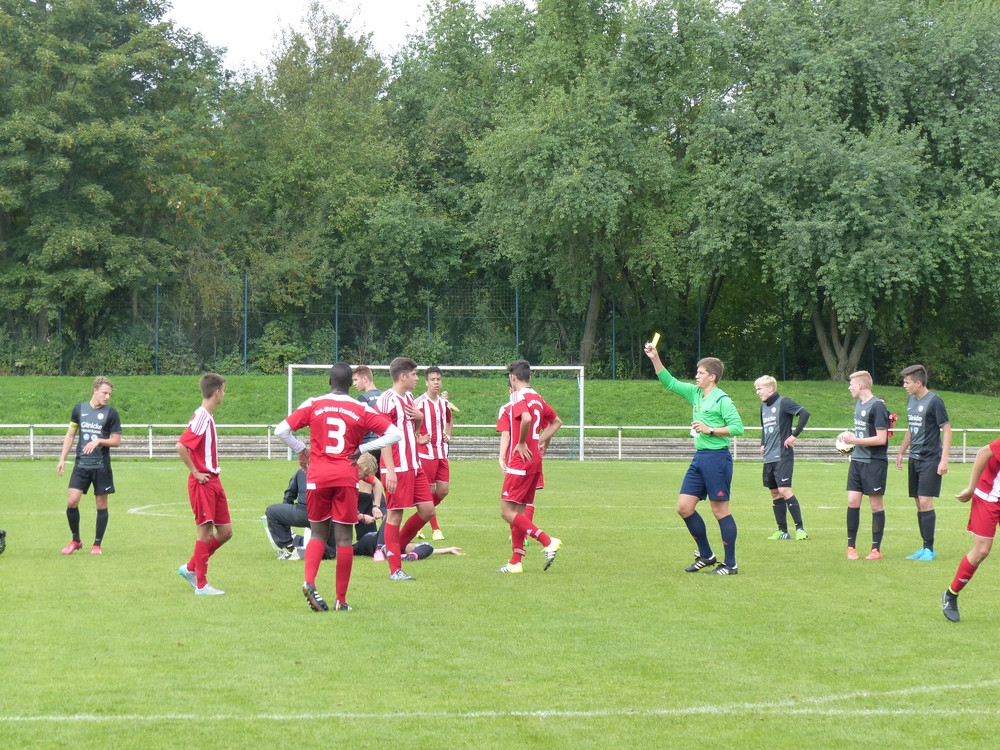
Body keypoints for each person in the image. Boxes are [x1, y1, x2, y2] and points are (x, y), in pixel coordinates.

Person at [276, 362, 402, 612]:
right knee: (344, 539)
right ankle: (340, 600)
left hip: (317, 477)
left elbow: (282, 430)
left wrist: (301, 450)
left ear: (329, 382)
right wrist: (362, 448)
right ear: (349, 385)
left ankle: (309, 581)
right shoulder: (360, 408)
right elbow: (394, 434)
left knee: (318, 533)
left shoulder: (314, 403)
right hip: (345, 477)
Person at [644, 345, 744, 575]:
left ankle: (730, 564)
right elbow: (670, 383)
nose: (696, 376)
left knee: (720, 511)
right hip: (700, 458)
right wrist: (655, 357)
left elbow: (738, 428)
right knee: (684, 508)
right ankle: (707, 555)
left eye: (700, 373)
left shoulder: (722, 400)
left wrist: (710, 429)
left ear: (712, 377)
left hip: (717, 459)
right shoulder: (696, 394)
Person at [496, 359, 563, 574]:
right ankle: (515, 562)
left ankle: (547, 541)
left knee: (506, 511)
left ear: (513, 378)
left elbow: (525, 418)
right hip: (535, 459)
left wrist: (523, 442)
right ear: (530, 377)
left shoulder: (517, 396)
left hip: (521, 459)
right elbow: (557, 422)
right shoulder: (537, 397)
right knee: (520, 511)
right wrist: (537, 441)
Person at [375, 356, 438, 581]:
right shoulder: (386, 401)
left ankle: (392, 548)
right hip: (397, 467)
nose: (417, 378)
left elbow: (413, 428)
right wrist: (390, 470)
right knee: (395, 515)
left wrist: (419, 419)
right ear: (403, 376)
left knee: (428, 510)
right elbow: (383, 437)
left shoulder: (409, 397)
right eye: (414, 374)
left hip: (414, 465)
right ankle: (395, 570)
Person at [176, 374, 231, 595]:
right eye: (223, 390)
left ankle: (191, 567)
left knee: (225, 532)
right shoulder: (201, 417)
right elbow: (181, 446)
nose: (224, 394)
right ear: (217, 392)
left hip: (214, 480)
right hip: (203, 482)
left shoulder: (208, 416)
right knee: (205, 534)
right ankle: (201, 585)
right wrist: (195, 472)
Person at [56, 376, 122, 555]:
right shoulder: (79, 409)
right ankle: (75, 540)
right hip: (81, 465)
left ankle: (96, 545)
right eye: (104, 393)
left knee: (101, 505)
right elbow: (70, 435)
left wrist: (99, 440)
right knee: (72, 501)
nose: (107, 397)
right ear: (95, 390)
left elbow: (116, 441)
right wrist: (62, 459)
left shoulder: (111, 413)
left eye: (109, 394)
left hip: (101, 467)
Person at [895, 364, 951, 562]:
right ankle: (924, 546)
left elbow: (947, 430)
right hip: (915, 458)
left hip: (930, 458)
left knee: (926, 501)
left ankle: (930, 549)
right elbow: (911, 428)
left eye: (907, 382)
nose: (904, 385)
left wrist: (944, 460)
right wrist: (901, 452)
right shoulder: (911, 400)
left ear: (918, 383)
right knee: (919, 502)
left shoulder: (935, 401)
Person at [942, 437, 1000, 622]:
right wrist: (971, 488)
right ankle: (951, 594)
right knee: (982, 551)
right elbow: (984, 452)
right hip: (988, 495)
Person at [840, 370, 891, 560]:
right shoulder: (858, 404)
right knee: (853, 502)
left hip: (874, 463)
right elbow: (863, 434)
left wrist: (855, 441)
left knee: (876, 505)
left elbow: (881, 439)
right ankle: (851, 547)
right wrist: (848, 444)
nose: (849, 388)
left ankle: (875, 549)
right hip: (857, 461)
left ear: (860, 386)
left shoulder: (878, 407)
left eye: (851, 384)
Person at [754, 375, 810, 541]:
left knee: (784, 490)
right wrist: (763, 444)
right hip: (769, 457)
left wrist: (794, 435)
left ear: (770, 389)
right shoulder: (763, 407)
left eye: (760, 389)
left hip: (783, 455)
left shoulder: (784, 402)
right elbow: (765, 428)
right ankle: (782, 531)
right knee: (774, 493)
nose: (757, 392)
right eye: (756, 389)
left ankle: (800, 529)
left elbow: (805, 413)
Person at [414, 365, 453, 541]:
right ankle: (435, 529)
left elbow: (449, 421)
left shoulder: (445, 403)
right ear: (426, 382)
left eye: (438, 379)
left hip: (442, 452)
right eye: (432, 380)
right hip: (426, 454)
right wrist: (418, 439)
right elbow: (406, 425)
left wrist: (448, 435)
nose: (436, 382)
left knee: (443, 490)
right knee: (428, 491)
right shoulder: (419, 403)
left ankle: (419, 520)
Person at [263, 451, 310, 560]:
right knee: (330, 551)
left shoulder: (302, 472)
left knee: (272, 512)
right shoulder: (332, 472)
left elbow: (289, 495)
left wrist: (285, 519)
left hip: (305, 513)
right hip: (328, 517)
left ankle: (290, 548)